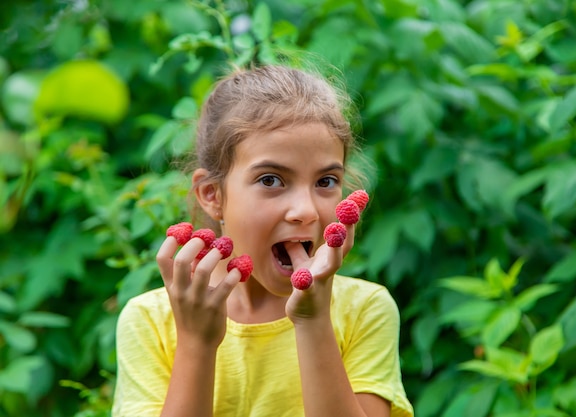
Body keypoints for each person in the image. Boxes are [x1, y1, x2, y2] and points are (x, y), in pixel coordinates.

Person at [112, 64, 414, 417]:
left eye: (326, 181)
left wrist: (314, 319)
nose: (306, 211)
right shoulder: (151, 320)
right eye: (271, 180)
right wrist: (196, 343)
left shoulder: (364, 310)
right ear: (212, 195)